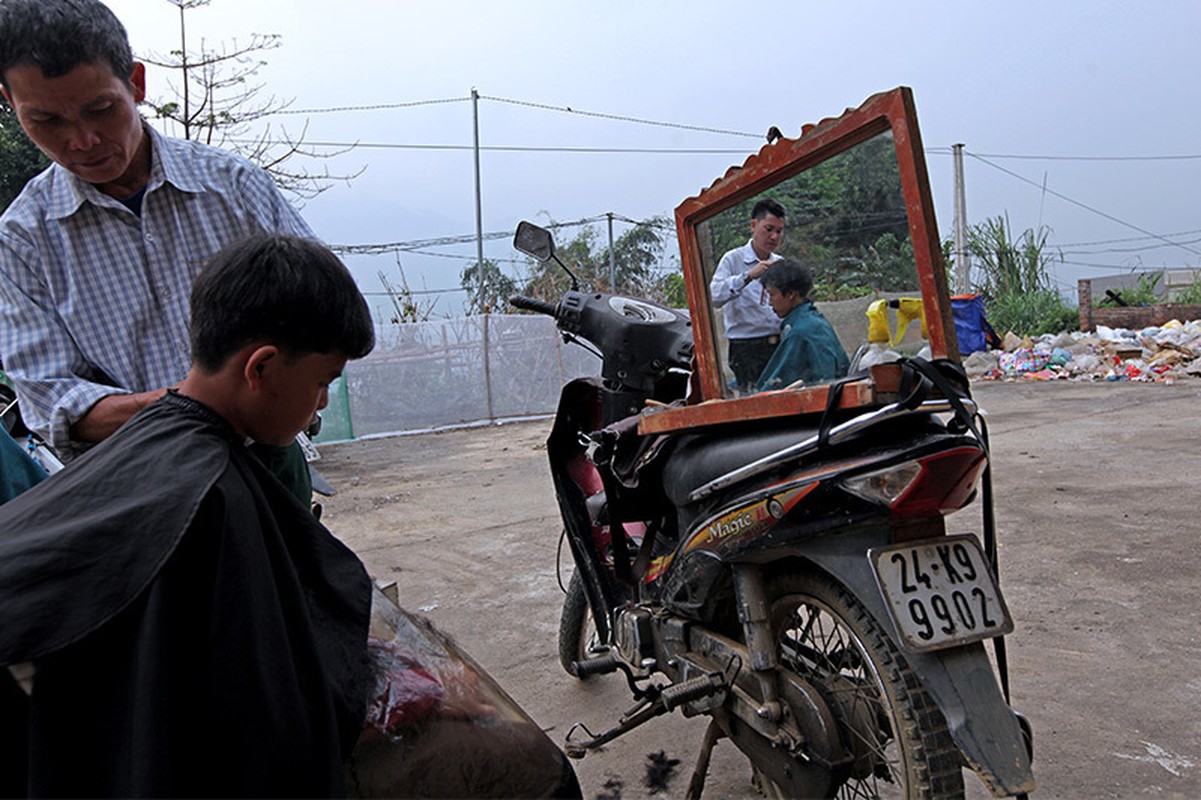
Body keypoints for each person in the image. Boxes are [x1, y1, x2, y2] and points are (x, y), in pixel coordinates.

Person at [0, 234, 377, 797]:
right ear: (263, 367)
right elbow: (266, 719)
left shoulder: (160, 444)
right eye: (322, 382)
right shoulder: (210, 497)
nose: (322, 403)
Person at [0, 0, 315, 499]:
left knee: (293, 575)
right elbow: (51, 400)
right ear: (11, 104)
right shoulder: (21, 239)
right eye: (46, 121)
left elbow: (320, 312)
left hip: (267, 463)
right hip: (133, 489)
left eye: (100, 110)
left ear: (136, 83)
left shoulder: (235, 189)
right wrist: (204, 405)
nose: (82, 140)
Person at [709, 198, 787, 392]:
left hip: (778, 343)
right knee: (753, 403)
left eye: (779, 231)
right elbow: (714, 296)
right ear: (754, 225)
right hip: (746, 347)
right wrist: (748, 276)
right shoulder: (733, 259)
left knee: (783, 397)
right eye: (769, 229)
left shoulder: (781, 263)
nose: (774, 237)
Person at [754, 258, 850, 391]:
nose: (770, 303)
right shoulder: (814, 320)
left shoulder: (799, 332)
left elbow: (778, 383)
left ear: (790, 294)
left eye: (772, 295)